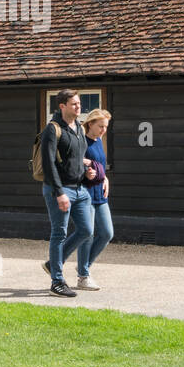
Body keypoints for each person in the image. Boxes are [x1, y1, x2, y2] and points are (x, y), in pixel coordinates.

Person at [40, 89, 92, 298]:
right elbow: (48, 163)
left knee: (86, 230)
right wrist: (59, 192)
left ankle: (53, 263)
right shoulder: (52, 130)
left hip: (80, 189)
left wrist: (86, 170)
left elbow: (75, 157)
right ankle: (57, 281)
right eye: (74, 104)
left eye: (79, 103)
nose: (78, 107)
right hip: (60, 190)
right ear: (62, 106)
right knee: (59, 233)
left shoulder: (78, 127)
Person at [74, 108, 113, 290]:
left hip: (100, 194)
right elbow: (73, 160)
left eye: (105, 126)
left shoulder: (99, 141)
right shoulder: (81, 141)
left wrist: (104, 178)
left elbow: (100, 165)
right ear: (90, 124)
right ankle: (83, 277)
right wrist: (86, 169)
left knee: (106, 233)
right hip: (85, 193)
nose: (104, 130)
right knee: (87, 235)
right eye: (101, 126)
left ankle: (84, 266)